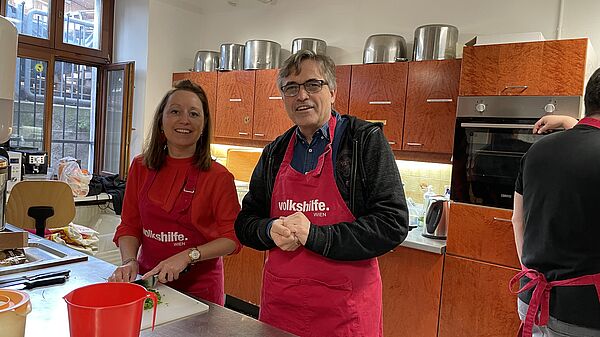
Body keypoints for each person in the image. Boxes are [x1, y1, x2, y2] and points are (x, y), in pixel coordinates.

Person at [234, 50, 408, 337]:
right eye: (291, 88)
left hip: (344, 313)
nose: (301, 95)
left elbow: (392, 223)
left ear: (333, 92)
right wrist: (268, 229)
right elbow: (245, 223)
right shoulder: (274, 152)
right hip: (281, 310)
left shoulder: (363, 141)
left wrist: (314, 235)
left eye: (312, 85)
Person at [109, 80, 241, 305]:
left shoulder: (219, 177)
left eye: (194, 114)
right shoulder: (140, 167)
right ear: (161, 120)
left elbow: (232, 239)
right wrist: (129, 261)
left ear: (203, 124)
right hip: (149, 283)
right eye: (175, 111)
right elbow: (130, 224)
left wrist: (189, 255)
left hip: (200, 293)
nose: (184, 120)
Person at [511, 68, 600, 337]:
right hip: (586, 314)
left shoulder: (538, 150)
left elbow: (517, 218)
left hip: (532, 301)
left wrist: (568, 122)